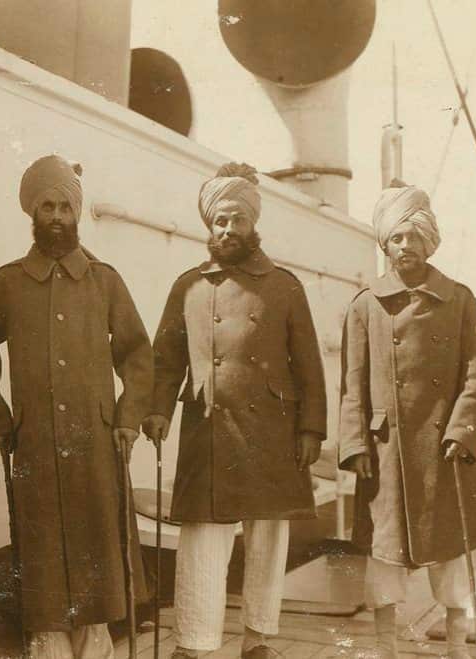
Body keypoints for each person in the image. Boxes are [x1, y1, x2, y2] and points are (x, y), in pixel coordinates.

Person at [0, 155, 153, 659]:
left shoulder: (105, 282)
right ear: (33, 212)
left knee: (97, 570)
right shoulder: (6, 283)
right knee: (43, 573)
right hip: (36, 450)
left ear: (77, 212)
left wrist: (127, 419)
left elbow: (137, 355)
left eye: (65, 207)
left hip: (97, 449)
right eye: (47, 206)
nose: (56, 217)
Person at [142, 163, 327, 659]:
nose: (227, 229)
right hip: (209, 428)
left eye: (237, 220)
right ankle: (193, 644)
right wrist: (157, 410)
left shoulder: (284, 286)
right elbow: (165, 360)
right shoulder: (189, 286)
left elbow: (309, 365)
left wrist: (311, 429)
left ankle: (258, 639)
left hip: (274, 432)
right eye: (219, 221)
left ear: (253, 223)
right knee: (202, 539)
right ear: (209, 224)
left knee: (267, 538)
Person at [338, 182, 476, 659]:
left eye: (413, 236)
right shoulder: (365, 303)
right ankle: (385, 648)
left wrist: (463, 431)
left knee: (449, 554)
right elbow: (352, 382)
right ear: (385, 245)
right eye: (396, 238)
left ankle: (457, 647)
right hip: (385, 451)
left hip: (444, 449)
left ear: (429, 242)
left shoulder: (459, 300)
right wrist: (354, 444)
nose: (405, 246)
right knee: (385, 557)